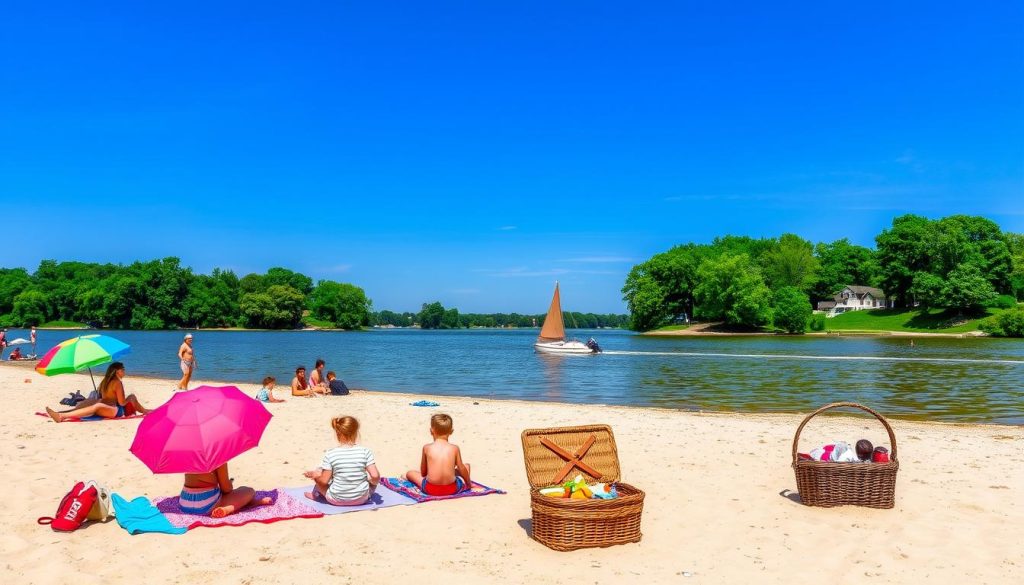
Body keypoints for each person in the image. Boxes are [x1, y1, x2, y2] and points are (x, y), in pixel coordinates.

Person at [304, 415, 379, 506]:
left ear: (337, 433)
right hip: (362, 499)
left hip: (335, 500)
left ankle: (314, 495)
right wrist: (370, 483)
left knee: (319, 475)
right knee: (371, 482)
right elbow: (375, 476)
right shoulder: (365, 452)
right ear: (356, 432)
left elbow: (324, 481)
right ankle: (361, 491)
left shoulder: (331, 454)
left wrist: (315, 476)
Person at [44, 362, 150, 422]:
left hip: (112, 409)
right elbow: (122, 403)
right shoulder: (117, 383)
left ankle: (62, 415)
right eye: (122, 370)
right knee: (90, 401)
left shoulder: (105, 381)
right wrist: (128, 399)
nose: (124, 371)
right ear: (117, 372)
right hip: (115, 410)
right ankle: (60, 414)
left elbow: (109, 400)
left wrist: (128, 398)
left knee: (96, 404)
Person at [405, 413, 472, 495]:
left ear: (431, 430)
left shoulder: (427, 448)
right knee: (466, 466)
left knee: (410, 473)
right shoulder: (455, 448)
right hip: (452, 489)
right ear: (451, 431)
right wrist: (468, 484)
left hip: (431, 489)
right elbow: (461, 468)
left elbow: (423, 473)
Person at [180, 462, 272, 518]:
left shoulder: (189, 456)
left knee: (219, 493)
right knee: (248, 491)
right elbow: (226, 489)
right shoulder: (218, 458)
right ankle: (228, 509)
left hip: (185, 503)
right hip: (206, 504)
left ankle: (251, 502)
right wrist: (229, 484)